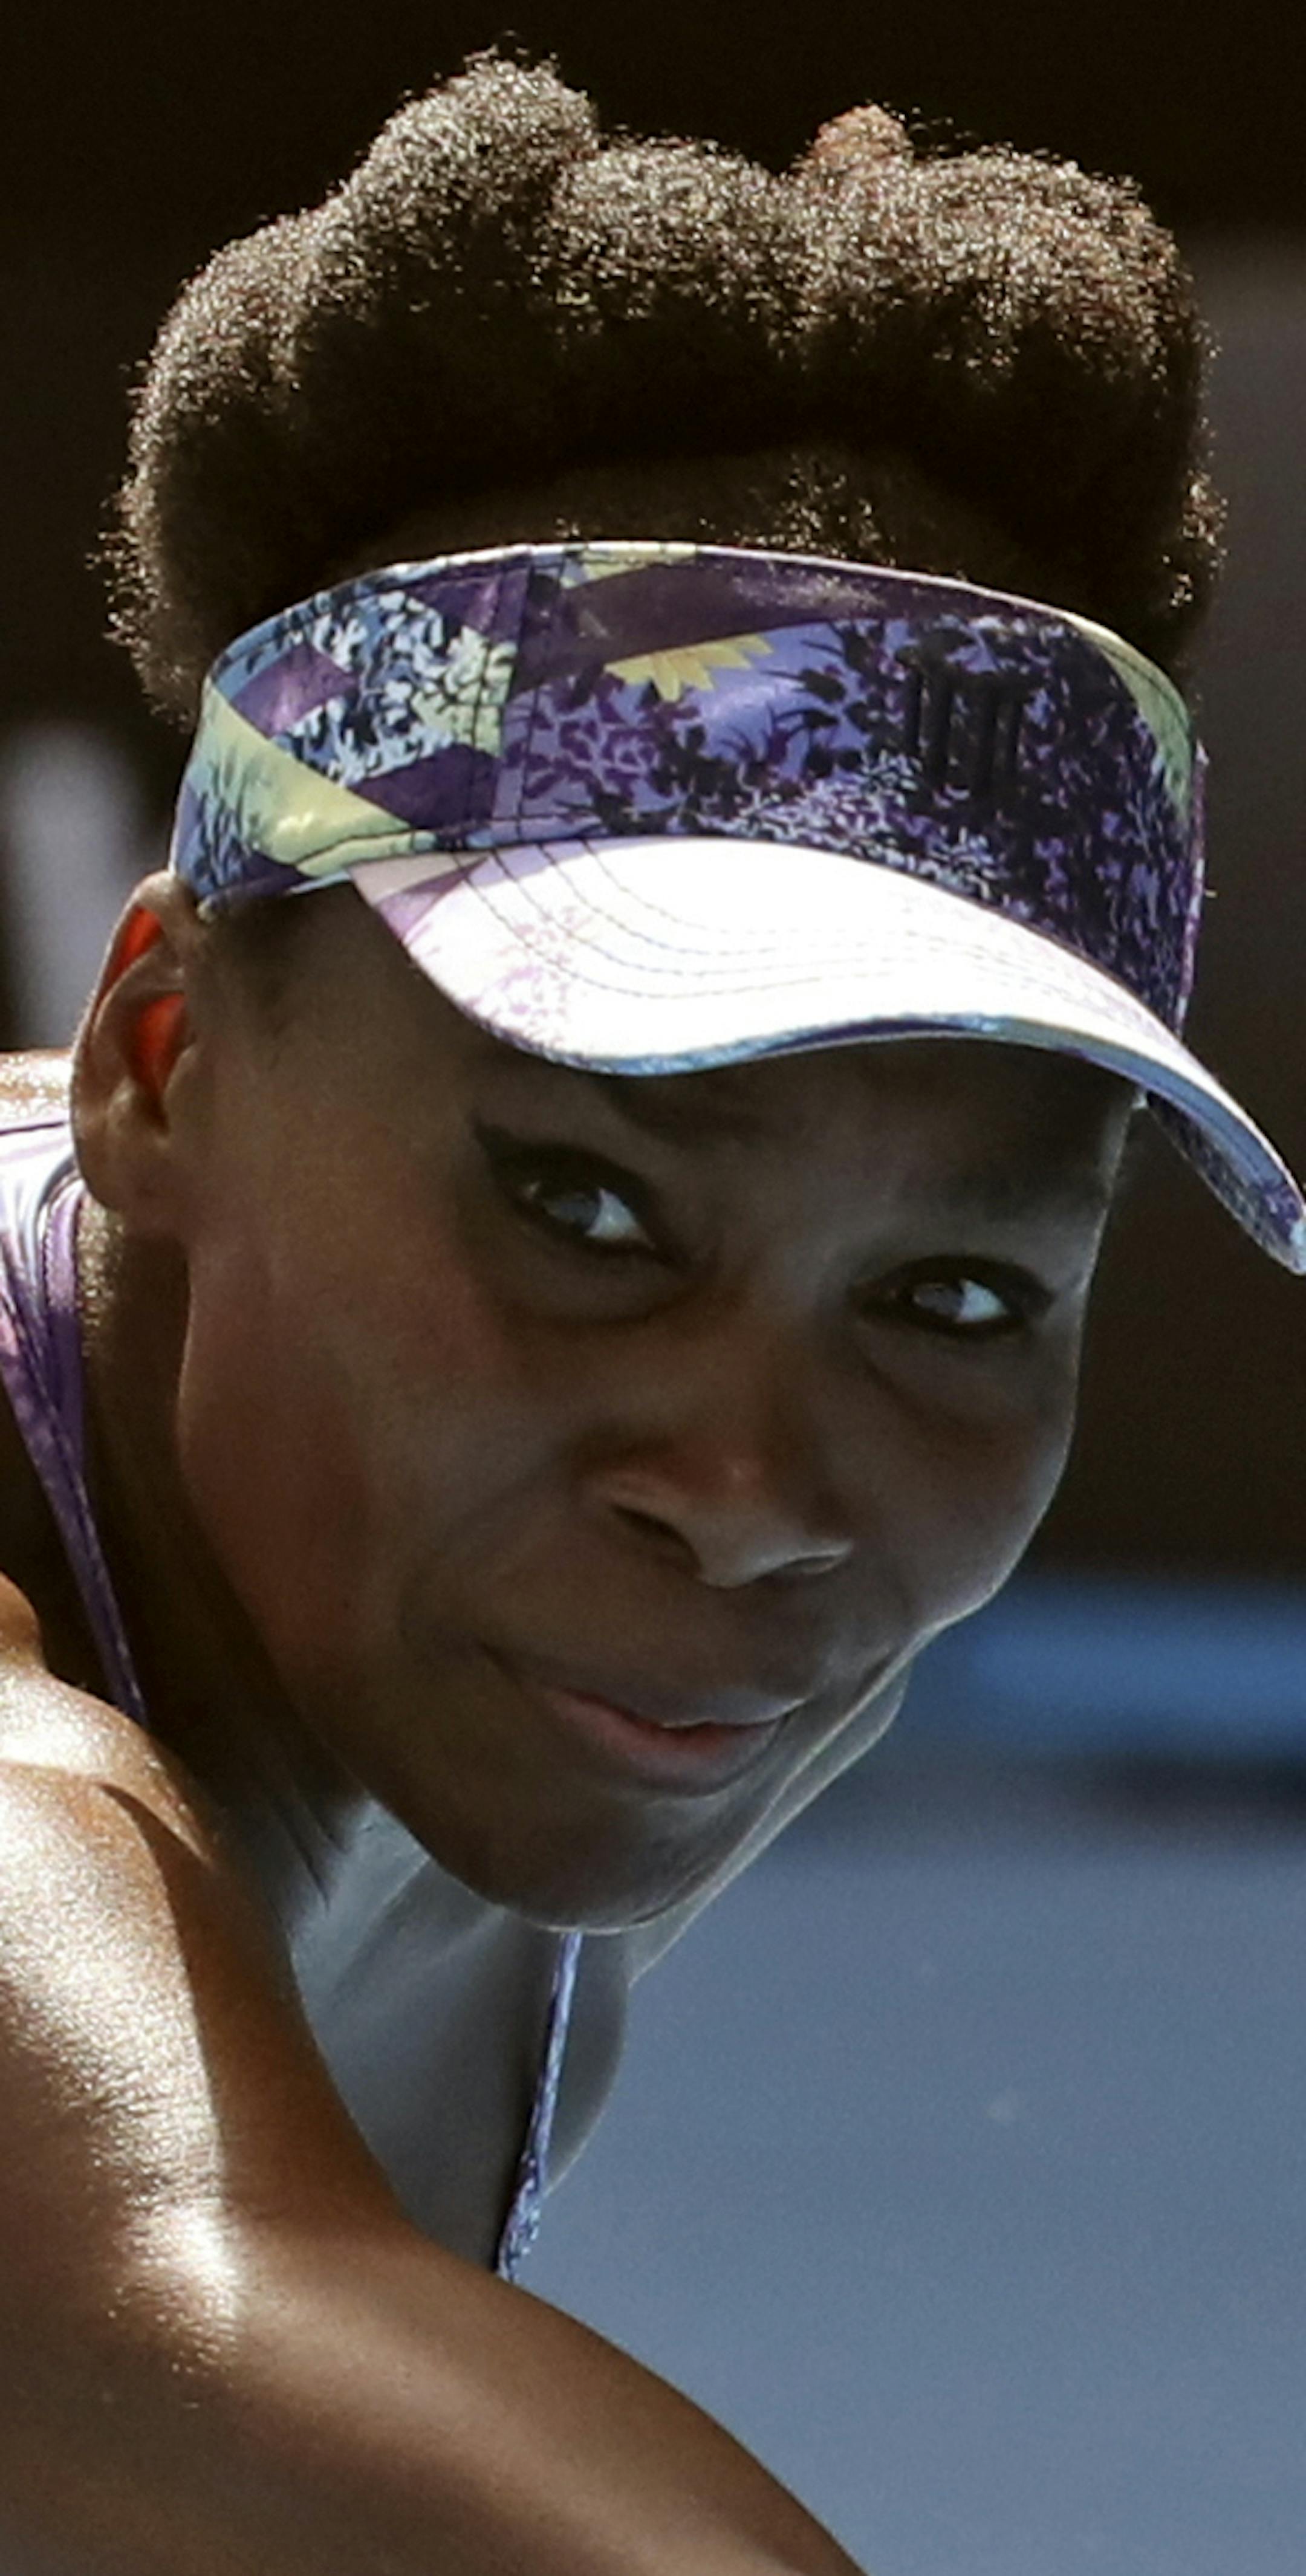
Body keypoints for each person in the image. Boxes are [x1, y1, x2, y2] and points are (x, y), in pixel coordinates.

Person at [0, 50, 1299, 2576]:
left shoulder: (435, 1599)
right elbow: (152, 2300)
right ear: (166, 1062)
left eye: (950, 1287)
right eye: (585, 1205)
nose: (750, 1486)